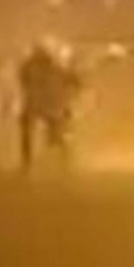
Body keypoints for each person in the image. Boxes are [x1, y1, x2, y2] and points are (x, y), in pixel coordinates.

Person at [18, 41, 83, 171]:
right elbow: (74, 81)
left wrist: (69, 94)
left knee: (56, 134)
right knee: (34, 132)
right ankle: (29, 161)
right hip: (42, 105)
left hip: (48, 105)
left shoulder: (51, 69)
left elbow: (74, 80)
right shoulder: (37, 68)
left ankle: (63, 159)